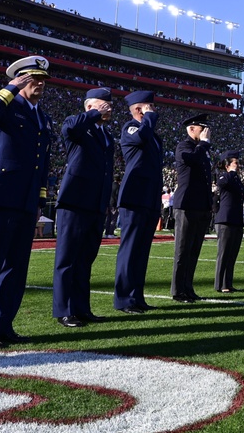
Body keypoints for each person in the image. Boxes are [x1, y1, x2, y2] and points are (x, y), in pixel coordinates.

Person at [0, 55, 52, 349]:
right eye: (33, 78)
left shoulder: (42, 116)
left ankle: (4, 324)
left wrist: (40, 201)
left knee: (16, 268)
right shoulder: (7, 106)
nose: (40, 84)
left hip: (26, 200)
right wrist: (9, 89)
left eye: (43, 80)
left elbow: (41, 163)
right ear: (20, 80)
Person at [52, 87, 115, 327]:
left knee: (85, 259)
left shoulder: (105, 134)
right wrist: (91, 114)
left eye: (110, 104)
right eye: (104, 104)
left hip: (95, 203)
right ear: (90, 106)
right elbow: (69, 129)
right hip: (75, 200)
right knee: (67, 258)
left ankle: (81, 307)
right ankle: (64, 310)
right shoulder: (78, 123)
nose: (109, 108)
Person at [113, 91, 163, 314]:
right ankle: (124, 299)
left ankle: (137, 296)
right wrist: (149, 118)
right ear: (137, 109)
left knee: (142, 250)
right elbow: (140, 138)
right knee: (130, 249)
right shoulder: (130, 128)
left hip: (149, 196)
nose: (152, 110)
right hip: (134, 195)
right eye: (147, 106)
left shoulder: (153, 134)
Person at [171, 113, 214, 303]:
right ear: (191, 129)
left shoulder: (201, 149)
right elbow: (190, 159)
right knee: (182, 250)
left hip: (199, 205)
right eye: (201, 128)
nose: (205, 132)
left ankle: (188, 287)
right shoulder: (184, 146)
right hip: (186, 205)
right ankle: (178, 290)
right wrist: (203, 144)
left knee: (194, 249)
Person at [214, 150, 244, 293]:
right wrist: (231, 172)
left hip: (236, 219)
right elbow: (222, 184)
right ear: (227, 165)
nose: (238, 166)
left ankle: (228, 282)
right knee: (224, 253)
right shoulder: (224, 175)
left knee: (232, 253)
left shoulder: (236, 179)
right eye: (236, 163)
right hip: (225, 219)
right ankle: (220, 284)